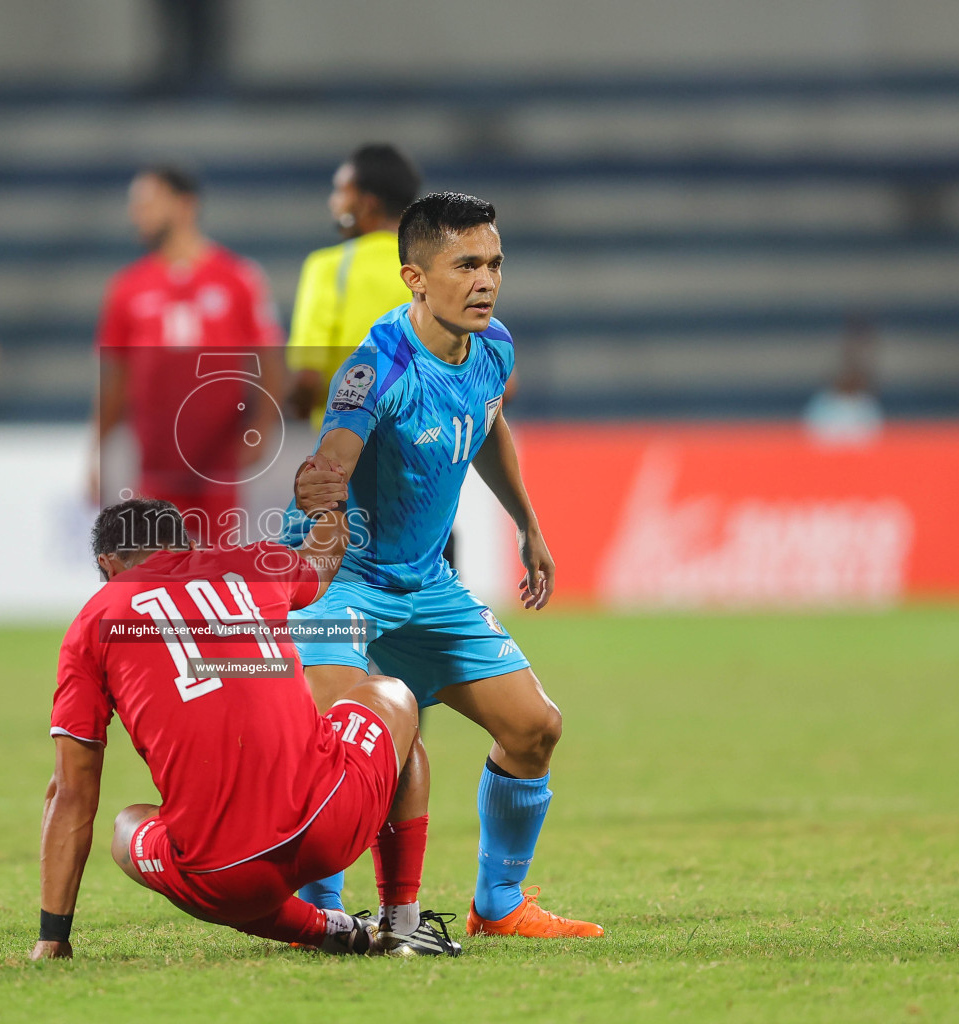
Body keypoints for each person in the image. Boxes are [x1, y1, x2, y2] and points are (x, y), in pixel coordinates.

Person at [284, 192, 604, 939]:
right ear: (414, 279)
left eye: (494, 262)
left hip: (425, 584)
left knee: (536, 729)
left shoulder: (493, 348)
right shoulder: (376, 370)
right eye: (466, 264)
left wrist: (528, 524)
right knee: (349, 747)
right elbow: (332, 464)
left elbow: (488, 424)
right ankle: (323, 910)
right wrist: (322, 531)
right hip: (345, 587)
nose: (486, 279)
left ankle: (499, 905)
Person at [32, 491, 463, 959]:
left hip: (227, 876)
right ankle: (402, 923)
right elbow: (324, 558)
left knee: (127, 827)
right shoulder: (246, 563)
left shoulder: (90, 625)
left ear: (109, 565)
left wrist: (52, 936)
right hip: (333, 820)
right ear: (186, 545)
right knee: (392, 695)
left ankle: (326, 929)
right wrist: (332, 503)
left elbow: (71, 792)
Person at [93, 165, 288, 544]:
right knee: (153, 569)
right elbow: (114, 377)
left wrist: (262, 429)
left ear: (184, 206)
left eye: (147, 203)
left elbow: (270, 360)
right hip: (154, 462)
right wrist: (95, 450)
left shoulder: (238, 278)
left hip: (218, 460)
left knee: (215, 567)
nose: (137, 214)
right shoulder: (126, 288)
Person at [286, 143, 421, 430]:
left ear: (368, 203)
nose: (333, 202)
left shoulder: (329, 267)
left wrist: (296, 407)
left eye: (341, 191)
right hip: (421, 445)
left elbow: (308, 379)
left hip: (346, 448)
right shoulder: (435, 265)